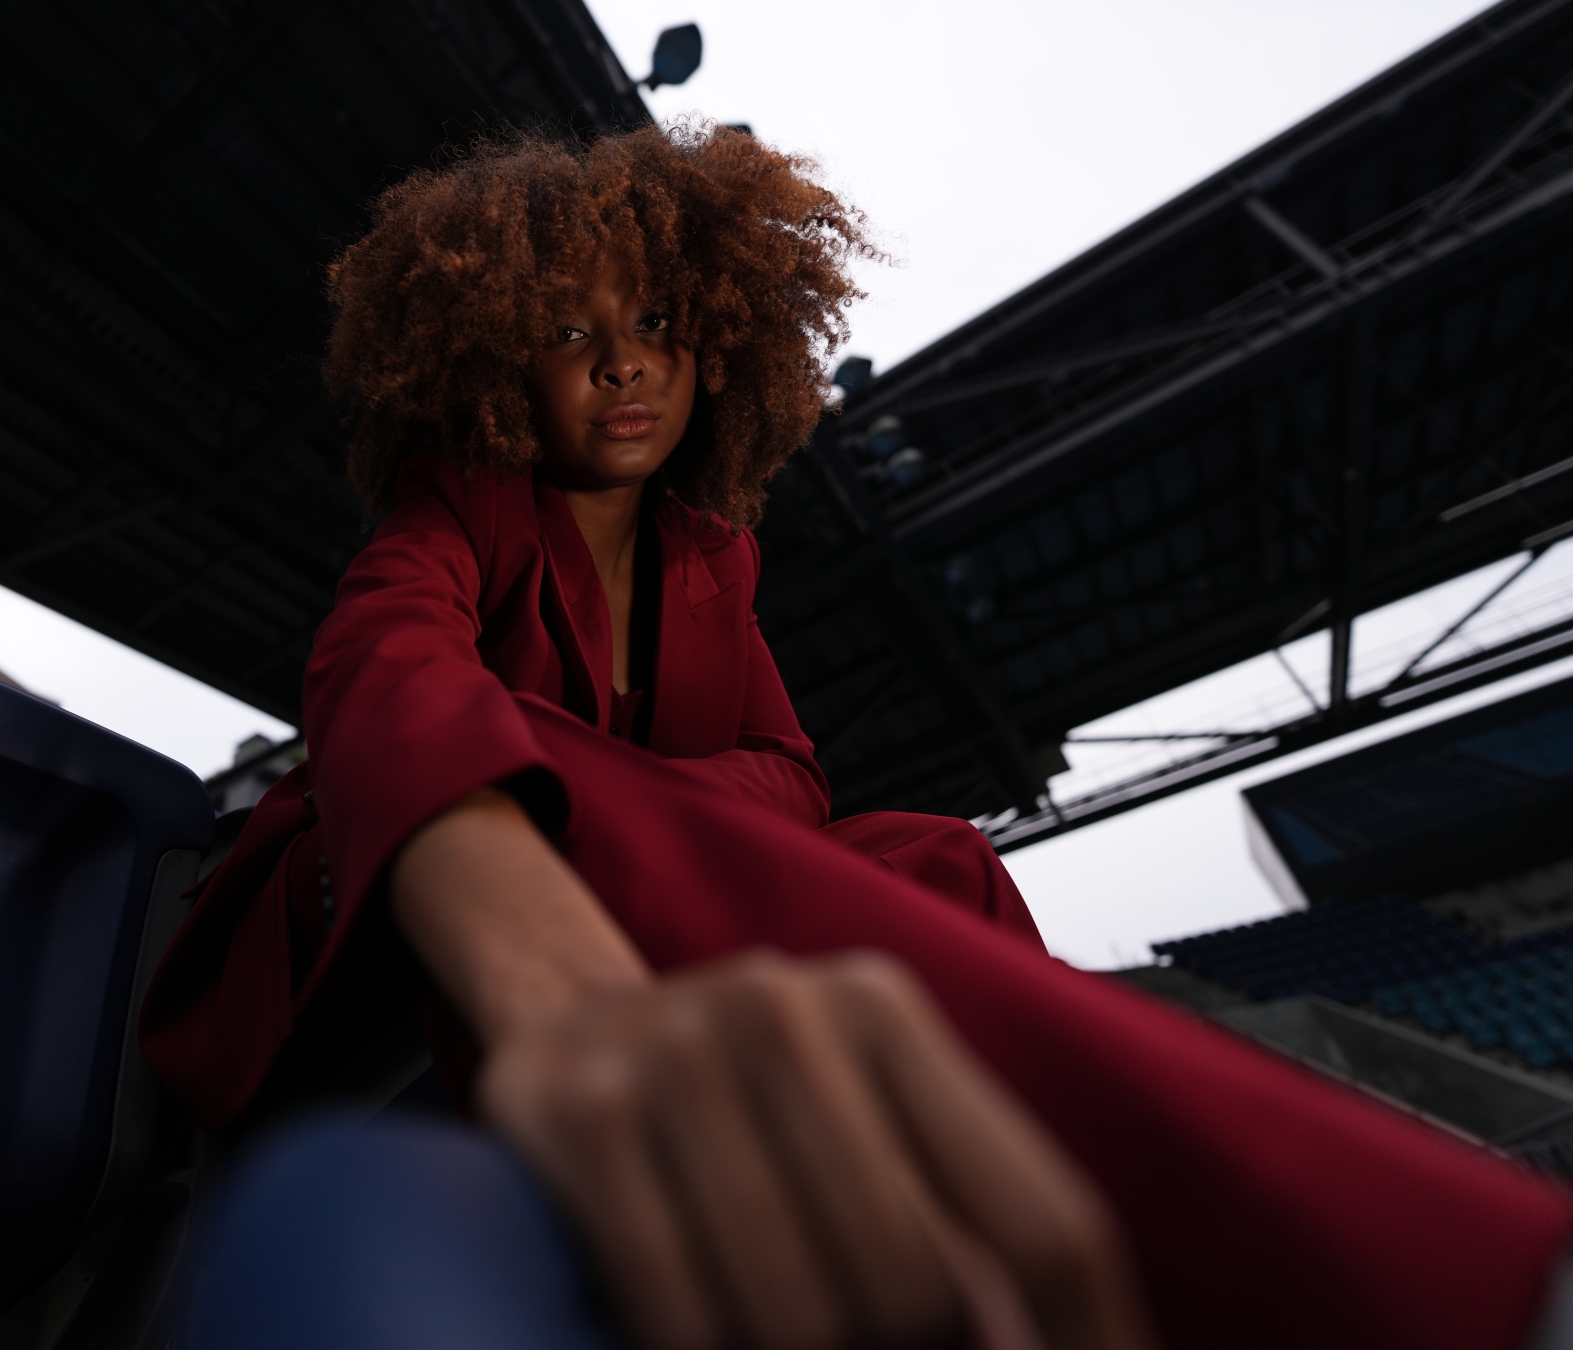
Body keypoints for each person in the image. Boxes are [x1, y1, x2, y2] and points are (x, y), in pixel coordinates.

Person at [141, 125, 1573, 1349]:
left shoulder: (712, 557)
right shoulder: (466, 497)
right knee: (531, 744)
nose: (626, 369)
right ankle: (1473, 1289)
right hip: (358, 907)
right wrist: (551, 960)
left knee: (939, 852)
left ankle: (1005, 1201)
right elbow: (382, 669)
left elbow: (794, 777)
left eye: (660, 328)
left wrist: (657, 798)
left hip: (626, 863)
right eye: (572, 333)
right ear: (498, 357)